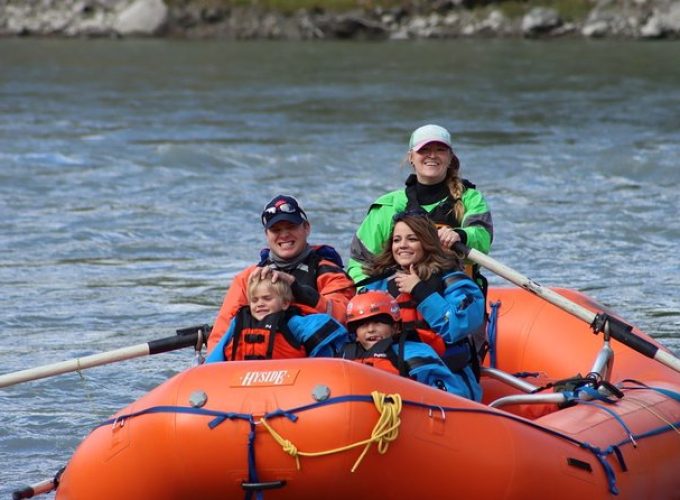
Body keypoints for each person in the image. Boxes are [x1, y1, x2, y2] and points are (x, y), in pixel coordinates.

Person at [347, 123, 493, 288]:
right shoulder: (388, 206)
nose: (432, 155)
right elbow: (360, 262)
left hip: (455, 297)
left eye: (440, 150)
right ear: (411, 157)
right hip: (399, 298)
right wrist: (370, 295)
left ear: (450, 157)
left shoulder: (471, 199)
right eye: (424, 150)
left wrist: (460, 235)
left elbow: (483, 239)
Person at [207, 194, 355, 354]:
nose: (284, 235)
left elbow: (345, 316)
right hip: (257, 365)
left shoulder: (328, 272)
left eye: (291, 227)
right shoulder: (249, 278)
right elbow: (221, 333)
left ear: (306, 228)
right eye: (276, 230)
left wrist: (299, 291)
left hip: (311, 365)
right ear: (267, 235)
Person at [361, 211, 484, 399]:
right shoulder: (377, 285)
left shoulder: (456, 284)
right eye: (397, 240)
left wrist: (420, 290)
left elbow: (456, 327)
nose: (402, 245)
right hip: (388, 374)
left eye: (411, 239)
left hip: (446, 379)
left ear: (426, 243)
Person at [341, 291, 478, 399]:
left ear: (395, 327)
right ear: (355, 334)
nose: (371, 329)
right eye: (363, 325)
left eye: (378, 322)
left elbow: (450, 395)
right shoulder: (344, 356)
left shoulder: (413, 352)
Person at [206, 274, 348, 362]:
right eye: (255, 300)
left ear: (285, 303)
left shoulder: (292, 322)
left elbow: (325, 328)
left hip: (288, 382)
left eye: (267, 298)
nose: (260, 304)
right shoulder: (238, 322)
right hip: (242, 381)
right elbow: (217, 355)